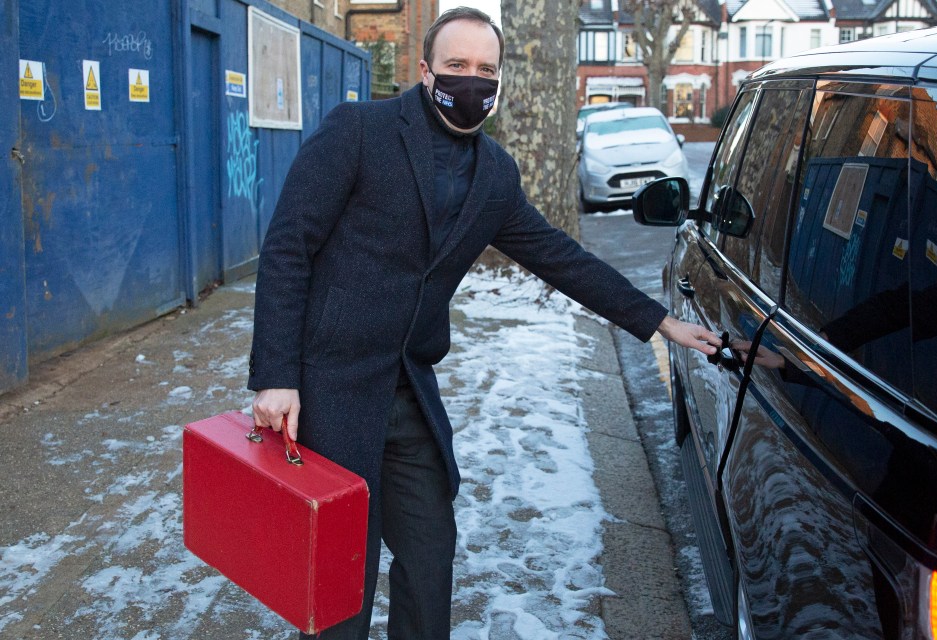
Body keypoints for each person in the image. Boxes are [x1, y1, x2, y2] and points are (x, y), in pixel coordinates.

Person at [247, 7, 720, 639]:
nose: (473, 80)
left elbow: (560, 257)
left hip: (410, 392)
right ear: (425, 71)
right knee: (339, 579)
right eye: (457, 67)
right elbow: (288, 246)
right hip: (329, 391)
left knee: (429, 559)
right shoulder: (359, 131)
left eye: (486, 70)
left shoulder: (494, 173)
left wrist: (658, 319)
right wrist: (276, 376)